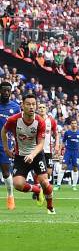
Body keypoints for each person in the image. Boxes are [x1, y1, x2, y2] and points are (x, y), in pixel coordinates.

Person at [1, 94, 55, 214]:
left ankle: (50, 207)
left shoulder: (39, 121)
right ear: (22, 105)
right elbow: (4, 131)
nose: (31, 107)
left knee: (45, 183)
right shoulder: (14, 119)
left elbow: (41, 144)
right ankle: (36, 190)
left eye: (33, 104)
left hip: (37, 155)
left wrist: (32, 155)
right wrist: (6, 149)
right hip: (20, 157)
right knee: (18, 184)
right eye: (28, 104)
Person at [0, 81, 20, 210]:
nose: (6, 93)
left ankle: (10, 195)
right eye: (4, 90)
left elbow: (18, 127)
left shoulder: (15, 107)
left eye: (8, 90)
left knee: (6, 171)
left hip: (5, 143)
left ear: (11, 92)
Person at [56, 118, 79, 190]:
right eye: (72, 123)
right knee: (63, 167)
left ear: (77, 124)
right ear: (70, 124)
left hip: (76, 152)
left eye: (75, 123)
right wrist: (60, 150)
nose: (74, 125)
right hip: (68, 152)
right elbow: (63, 142)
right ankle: (58, 185)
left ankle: (74, 186)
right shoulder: (67, 133)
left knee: (75, 168)